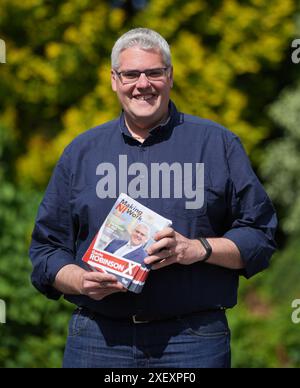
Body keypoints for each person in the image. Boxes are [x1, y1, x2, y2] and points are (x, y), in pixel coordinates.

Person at [29, 28, 277, 368]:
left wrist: (196, 249)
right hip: (97, 341)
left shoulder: (217, 145)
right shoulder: (81, 153)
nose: (142, 84)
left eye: (154, 73)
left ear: (170, 77)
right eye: (131, 74)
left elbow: (260, 235)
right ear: (114, 80)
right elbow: (46, 250)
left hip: (193, 341)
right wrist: (81, 282)